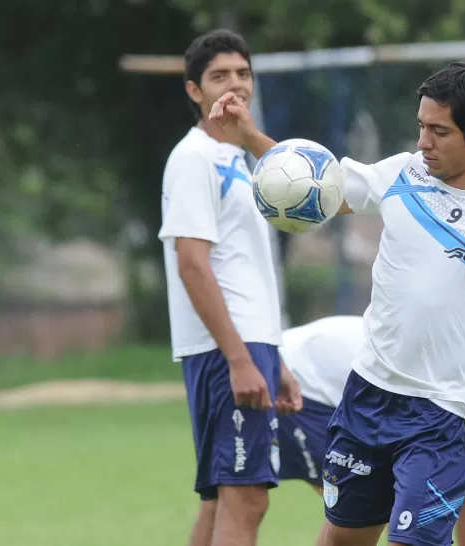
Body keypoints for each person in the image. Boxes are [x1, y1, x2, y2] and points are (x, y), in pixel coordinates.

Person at [209, 59, 465, 546]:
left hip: (442, 415)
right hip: (368, 396)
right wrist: (250, 135)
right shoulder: (403, 173)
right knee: (341, 540)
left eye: (439, 132)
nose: (423, 142)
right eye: (421, 126)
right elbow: (315, 185)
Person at [157, 29, 302, 546]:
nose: (234, 85)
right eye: (220, 76)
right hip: (227, 351)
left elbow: (244, 267)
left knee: (224, 498)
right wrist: (240, 358)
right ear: (195, 91)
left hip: (250, 345)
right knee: (247, 496)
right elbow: (192, 265)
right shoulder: (195, 158)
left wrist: (274, 357)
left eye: (243, 74)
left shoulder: (235, 160)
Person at [274, 315, 465, 546]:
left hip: (342, 397)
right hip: (295, 379)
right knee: (359, 508)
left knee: (364, 510)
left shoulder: (457, 415)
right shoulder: (438, 401)